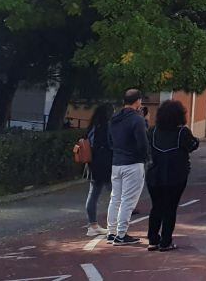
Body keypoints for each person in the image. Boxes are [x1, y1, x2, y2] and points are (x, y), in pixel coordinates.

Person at [145, 99, 199, 251]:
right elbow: (193, 145)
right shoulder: (182, 132)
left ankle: (153, 239)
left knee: (156, 207)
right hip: (176, 176)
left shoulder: (152, 131)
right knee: (170, 208)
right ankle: (165, 241)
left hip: (155, 175)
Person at [107, 88, 149, 245]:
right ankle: (121, 234)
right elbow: (143, 144)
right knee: (128, 200)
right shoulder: (137, 120)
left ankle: (111, 232)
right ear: (138, 101)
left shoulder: (114, 118)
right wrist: (145, 158)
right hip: (133, 163)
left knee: (115, 198)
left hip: (116, 162)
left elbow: (109, 140)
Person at [85, 104, 114, 236]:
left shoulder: (92, 126)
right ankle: (115, 224)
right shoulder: (108, 127)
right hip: (106, 164)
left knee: (93, 194)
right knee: (115, 194)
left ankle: (92, 225)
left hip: (93, 163)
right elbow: (111, 144)